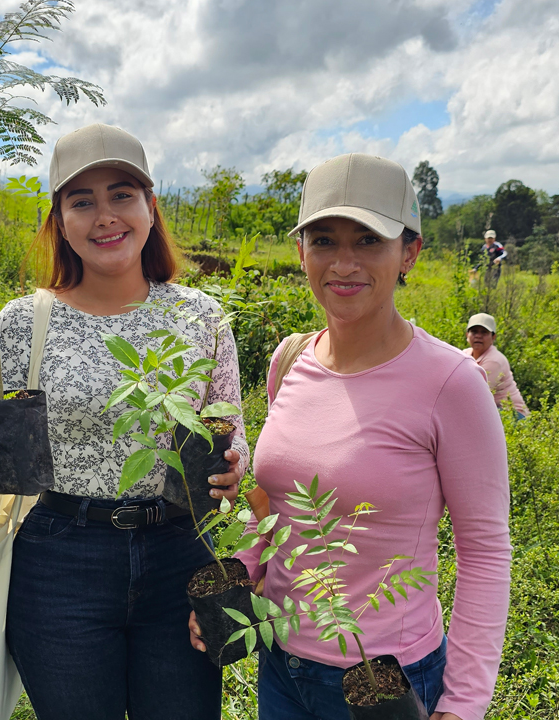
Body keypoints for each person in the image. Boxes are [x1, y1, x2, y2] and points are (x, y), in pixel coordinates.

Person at [0, 123, 247, 720]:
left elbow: (229, 435)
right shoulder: (23, 322)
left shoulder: (202, 317)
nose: (105, 217)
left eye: (121, 195)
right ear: (59, 221)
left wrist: (231, 471)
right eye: (82, 201)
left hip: (180, 553)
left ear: (150, 207)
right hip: (59, 557)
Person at [214, 153, 511, 720]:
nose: (343, 263)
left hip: (385, 683)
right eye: (323, 240)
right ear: (301, 251)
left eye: (369, 241)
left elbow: (484, 551)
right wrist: (240, 571)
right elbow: (273, 504)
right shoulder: (289, 359)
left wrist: (464, 703)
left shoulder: (452, 383)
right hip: (281, 666)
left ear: (409, 253)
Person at [461, 313, 529, 419]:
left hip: (513, 414)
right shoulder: (464, 354)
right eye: (474, 332)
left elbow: (476, 395)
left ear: (493, 337)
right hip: (493, 409)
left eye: (484, 332)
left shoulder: (494, 361)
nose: (478, 336)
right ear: (467, 335)